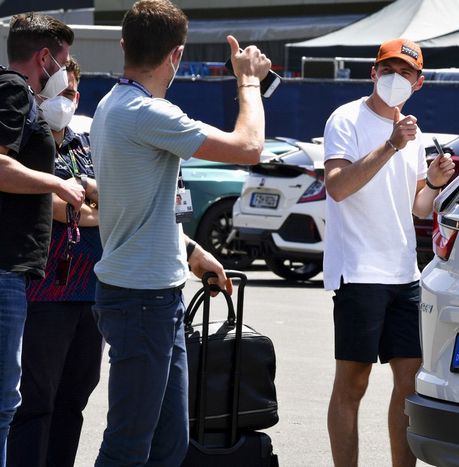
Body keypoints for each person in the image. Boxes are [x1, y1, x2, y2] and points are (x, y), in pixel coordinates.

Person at [89, 1, 270, 465]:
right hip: (141, 301)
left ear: (125, 44)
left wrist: (191, 251)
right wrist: (248, 80)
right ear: (176, 55)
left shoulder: (118, 104)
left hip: (152, 295)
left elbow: (139, 205)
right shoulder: (147, 113)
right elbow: (249, 148)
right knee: (129, 445)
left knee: (169, 445)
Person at [323, 38, 455, 467]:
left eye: (405, 73)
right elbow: (338, 187)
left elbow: (417, 207)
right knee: (353, 383)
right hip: (358, 273)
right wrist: (391, 146)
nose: (394, 78)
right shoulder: (346, 119)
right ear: (373, 73)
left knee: (411, 383)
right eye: (388, 69)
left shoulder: (413, 132)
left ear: (420, 83)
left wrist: (434, 183)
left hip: (404, 274)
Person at [7, 57, 103, 467]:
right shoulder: (32, 143)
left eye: (75, 93)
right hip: (45, 294)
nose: (70, 100)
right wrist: (88, 203)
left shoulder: (84, 146)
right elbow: (54, 207)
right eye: (64, 91)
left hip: (89, 294)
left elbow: (106, 203)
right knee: (35, 403)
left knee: (74, 399)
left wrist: (87, 203)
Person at [0, 14, 84, 467]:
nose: (65, 72)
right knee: (5, 405)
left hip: (15, 271)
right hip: (6, 269)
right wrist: (57, 185)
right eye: (64, 60)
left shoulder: (19, 95)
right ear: (45, 57)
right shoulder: (14, 90)